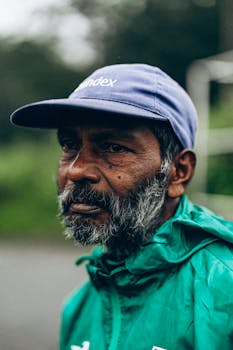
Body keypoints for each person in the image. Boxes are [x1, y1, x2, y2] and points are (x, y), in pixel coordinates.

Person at [10, 64, 233, 350]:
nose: (77, 171)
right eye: (69, 144)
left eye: (113, 147)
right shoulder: (81, 306)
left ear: (178, 172)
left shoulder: (224, 291)